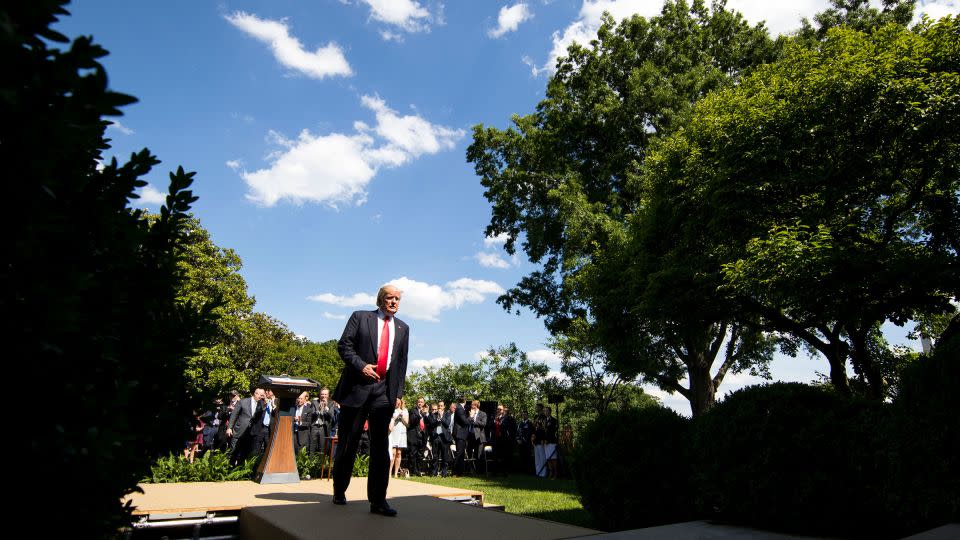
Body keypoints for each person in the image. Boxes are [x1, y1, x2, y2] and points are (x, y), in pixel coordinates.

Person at [331, 285, 409, 517]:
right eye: (389, 298)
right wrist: (361, 366)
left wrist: (397, 393)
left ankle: (378, 501)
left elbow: (402, 362)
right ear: (380, 300)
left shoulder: (403, 328)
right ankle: (339, 490)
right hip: (357, 389)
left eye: (397, 299)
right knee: (348, 444)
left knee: (380, 449)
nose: (394, 302)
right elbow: (344, 346)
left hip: (384, 393)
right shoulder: (360, 317)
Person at [227, 388, 266, 466]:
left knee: (244, 452)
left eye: (262, 395)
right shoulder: (243, 401)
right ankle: (229, 468)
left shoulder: (261, 404)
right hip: (239, 430)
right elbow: (234, 415)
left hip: (250, 432)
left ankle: (239, 470)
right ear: (255, 393)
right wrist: (229, 428)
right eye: (259, 395)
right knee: (234, 451)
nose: (260, 397)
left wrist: (265, 402)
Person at [424, 402, 450, 477]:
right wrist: (437, 420)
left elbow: (447, 424)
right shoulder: (433, 415)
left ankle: (444, 473)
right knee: (435, 456)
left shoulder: (447, 414)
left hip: (444, 437)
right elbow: (432, 424)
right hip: (435, 437)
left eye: (441, 406)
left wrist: (441, 417)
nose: (439, 407)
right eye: (439, 406)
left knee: (444, 456)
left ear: (444, 407)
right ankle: (434, 472)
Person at [310, 387, 338, 456]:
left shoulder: (331, 404)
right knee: (312, 446)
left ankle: (320, 463)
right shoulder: (315, 402)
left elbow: (331, 416)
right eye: (322, 394)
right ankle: (310, 463)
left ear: (328, 395)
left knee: (322, 447)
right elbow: (311, 413)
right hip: (315, 426)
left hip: (324, 427)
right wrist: (318, 410)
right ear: (320, 395)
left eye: (325, 394)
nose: (323, 396)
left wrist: (325, 407)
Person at [493, 404, 517, 475]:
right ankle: (495, 472)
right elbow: (490, 426)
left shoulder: (508, 418)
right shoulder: (494, 417)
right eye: (497, 409)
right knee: (496, 456)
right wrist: (494, 421)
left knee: (503, 456)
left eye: (500, 409)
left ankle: (504, 471)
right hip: (496, 439)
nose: (498, 410)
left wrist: (510, 437)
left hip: (504, 440)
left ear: (503, 410)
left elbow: (512, 428)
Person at [388, 399, 409, 478]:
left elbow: (407, 423)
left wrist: (402, 416)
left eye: (398, 401)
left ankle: (396, 473)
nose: (397, 402)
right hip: (393, 432)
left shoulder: (405, 410)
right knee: (392, 453)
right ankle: (389, 472)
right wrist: (396, 416)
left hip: (401, 432)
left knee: (399, 453)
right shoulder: (391, 409)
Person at [406, 397, 426, 476]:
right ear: (416, 403)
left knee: (420, 454)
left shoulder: (425, 412)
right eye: (419, 402)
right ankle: (412, 470)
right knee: (412, 454)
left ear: (423, 403)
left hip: (422, 435)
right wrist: (420, 414)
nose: (420, 403)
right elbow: (412, 421)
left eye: (421, 402)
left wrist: (425, 414)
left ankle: (418, 470)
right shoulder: (412, 411)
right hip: (413, 435)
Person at [451, 398, 470, 475]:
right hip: (460, 433)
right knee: (459, 453)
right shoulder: (459, 408)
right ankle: (455, 471)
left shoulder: (460, 408)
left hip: (461, 433)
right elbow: (465, 421)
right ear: (464, 401)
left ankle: (460, 471)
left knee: (461, 453)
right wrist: (471, 417)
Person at [467, 399, 488, 469]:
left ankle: (480, 471)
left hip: (479, 437)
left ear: (476, 406)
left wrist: (473, 420)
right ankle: (470, 469)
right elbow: (467, 422)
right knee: (469, 453)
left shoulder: (483, 414)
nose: (471, 406)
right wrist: (471, 416)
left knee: (479, 455)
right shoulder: (470, 413)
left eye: (472, 405)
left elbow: (483, 424)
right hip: (470, 436)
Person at [543, 406, 559, 479]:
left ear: (550, 412)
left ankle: (555, 474)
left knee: (553, 458)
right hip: (545, 442)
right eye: (544, 411)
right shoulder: (544, 420)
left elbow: (552, 431)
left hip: (551, 442)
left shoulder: (554, 420)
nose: (545, 412)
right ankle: (550, 473)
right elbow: (543, 431)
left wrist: (547, 440)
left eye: (546, 411)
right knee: (548, 458)